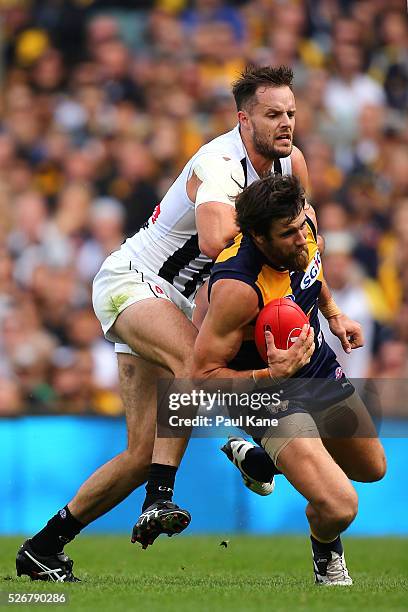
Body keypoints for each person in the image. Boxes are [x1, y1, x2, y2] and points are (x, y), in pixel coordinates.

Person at [16, 65, 315, 582]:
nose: (286, 123)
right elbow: (214, 241)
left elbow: (303, 236)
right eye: (273, 114)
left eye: (290, 112)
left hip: (172, 299)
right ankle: (231, 456)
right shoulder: (219, 161)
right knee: (194, 364)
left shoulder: (291, 168)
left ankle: (44, 546)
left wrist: (328, 309)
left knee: (139, 453)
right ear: (244, 120)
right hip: (132, 279)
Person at [192, 174, 386, 585]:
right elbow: (203, 376)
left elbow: (311, 268)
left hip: (312, 366)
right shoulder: (237, 287)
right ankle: (326, 555)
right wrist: (270, 373)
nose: (301, 238)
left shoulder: (304, 224)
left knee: (372, 468)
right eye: (288, 234)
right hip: (263, 393)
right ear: (259, 238)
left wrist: (333, 313)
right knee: (339, 506)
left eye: (302, 226)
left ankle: (262, 462)